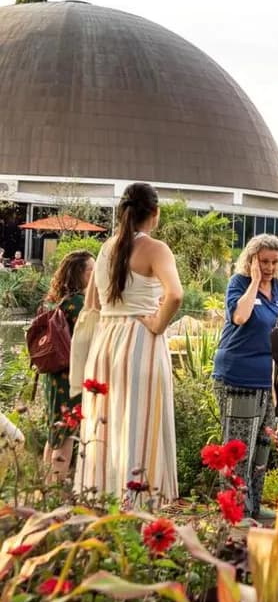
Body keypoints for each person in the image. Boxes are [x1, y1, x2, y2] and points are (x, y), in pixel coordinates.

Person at [76, 182, 183, 503]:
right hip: (140, 342)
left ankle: (100, 499)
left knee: (106, 423)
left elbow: (91, 303)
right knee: (138, 422)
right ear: (155, 213)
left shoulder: (107, 248)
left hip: (105, 343)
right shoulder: (156, 249)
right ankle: (137, 505)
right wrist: (157, 323)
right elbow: (176, 294)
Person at [212, 234, 278, 521]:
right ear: (252, 259)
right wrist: (255, 282)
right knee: (238, 447)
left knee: (262, 448)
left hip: (267, 380)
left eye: (274, 262)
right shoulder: (239, 284)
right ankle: (234, 509)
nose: (269, 267)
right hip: (237, 376)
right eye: (264, 261)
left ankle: (253, 505)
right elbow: (240, 317)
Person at [42, 249, 95, 481]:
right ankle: (55, 492)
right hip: (69, 376)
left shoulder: (61, 301)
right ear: (80, 274)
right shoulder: (79, 304)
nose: (97, 273)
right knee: (66, 435)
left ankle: (44, 488)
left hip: (55, 375)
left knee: (55, 432)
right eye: (92, 269)